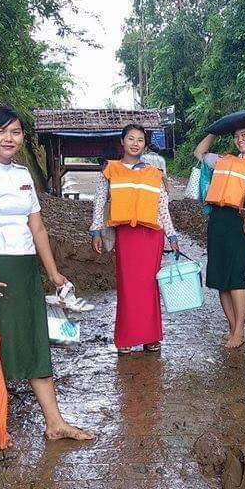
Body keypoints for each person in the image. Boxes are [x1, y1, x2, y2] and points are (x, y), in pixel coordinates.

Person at [0, 107, 94, 448]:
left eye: (15, 132)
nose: (8, 138)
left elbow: (38, 227)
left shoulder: (23, 174)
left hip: (24, 266)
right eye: (1, 132)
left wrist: (53, 272)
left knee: (33, 341)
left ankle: (55, 422)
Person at [90, 123, 179, 354]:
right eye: (131, 138)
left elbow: (162, 207)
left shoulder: (154, 173)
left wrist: (172, 235)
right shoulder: (110, 170)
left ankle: (151, 337)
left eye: (140, 140)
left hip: (152, 236)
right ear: (122, 142)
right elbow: (99, 202)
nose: (135, 143)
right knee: (128, 287)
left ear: (145, 144)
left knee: (150, 286)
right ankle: (126, 338)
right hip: (126, 236)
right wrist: (96, 230)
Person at [194, 126, 245, 348]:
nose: (240, 139)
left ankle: (239, 331)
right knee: (221, 279)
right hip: (218, 221)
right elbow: (199, 153)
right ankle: (232, 327)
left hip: (241, 220)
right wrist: (213, 130)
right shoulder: (223, 160)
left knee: (236, 277)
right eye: (237, 136)